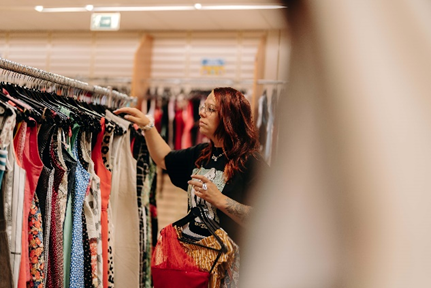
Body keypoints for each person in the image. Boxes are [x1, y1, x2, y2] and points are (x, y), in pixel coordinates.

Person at [114, 87, 267, 243]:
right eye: (203, 107)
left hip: (231, 262)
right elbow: (164, 159)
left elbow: (265, 219)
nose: (201, 113)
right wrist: (148, 126)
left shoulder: (251, 162)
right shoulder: (202, 154)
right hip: (195, 259)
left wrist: (220, 200)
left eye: (211, 109)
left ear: (229, 118)